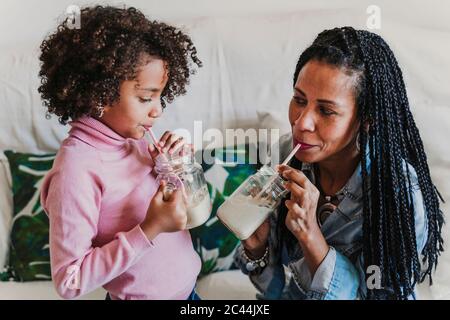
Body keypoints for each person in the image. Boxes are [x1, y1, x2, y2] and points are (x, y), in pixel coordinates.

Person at [235, 27, 444, 300]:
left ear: (367, 119)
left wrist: (311, 237)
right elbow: (276, 291)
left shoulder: (399, 196)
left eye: (326, 110)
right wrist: (257, 247)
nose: (301, 122)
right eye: (299, 100)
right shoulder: (286, 153)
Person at [39, 5, 202, 300]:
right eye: (145, 97)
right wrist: (149, 229)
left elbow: (181, 215)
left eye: (160, 96)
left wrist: (179, 169)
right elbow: (69, 281)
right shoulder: (75, 171)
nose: (158, 109)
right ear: (99, 94)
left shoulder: (134, 139)